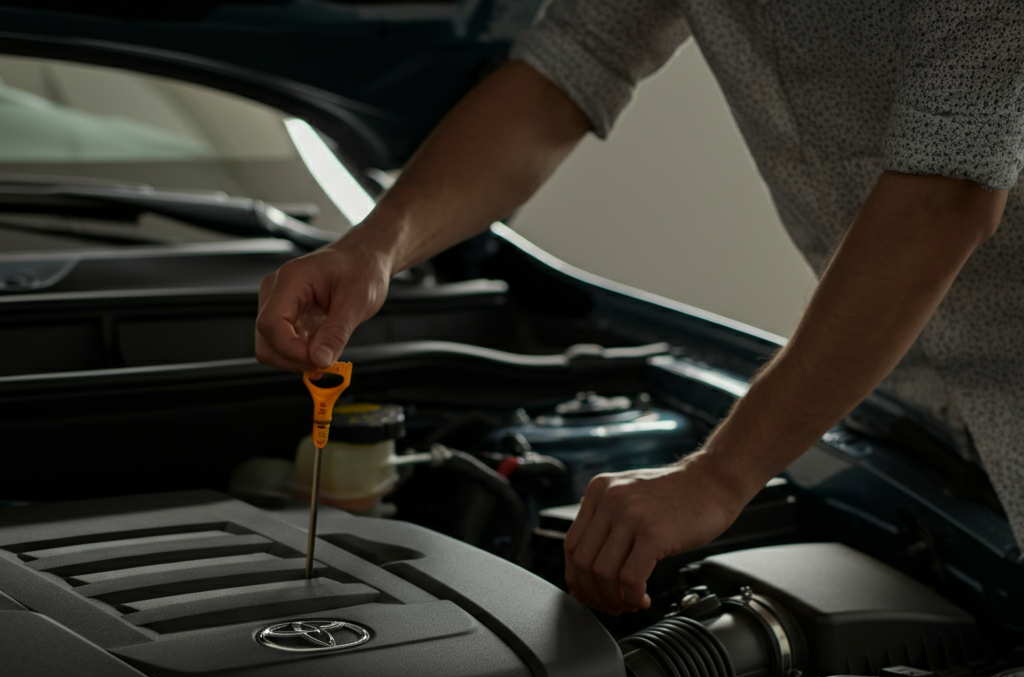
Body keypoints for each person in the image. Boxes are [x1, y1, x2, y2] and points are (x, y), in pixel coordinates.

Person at [256, 0, 1024, 618]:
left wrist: (720, 476)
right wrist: (376, 248)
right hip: (915, 402)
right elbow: (568, 70)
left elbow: (943, 199)